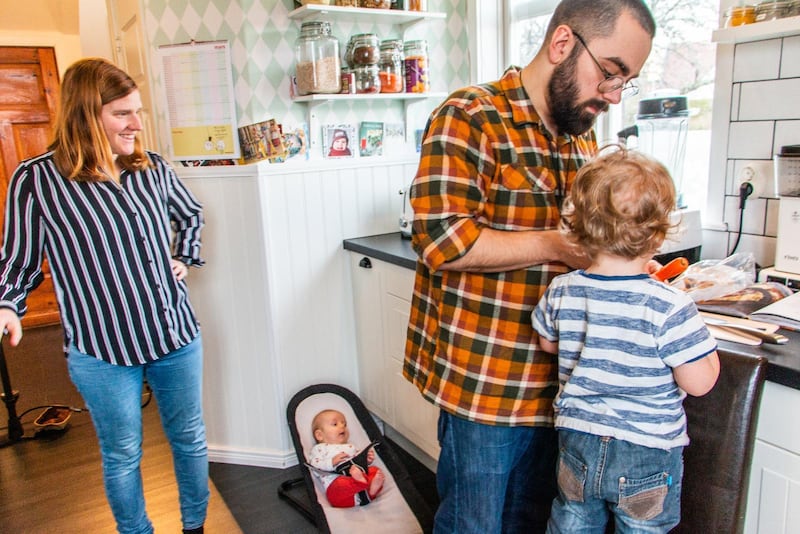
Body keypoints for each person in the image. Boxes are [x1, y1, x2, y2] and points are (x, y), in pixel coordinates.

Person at [403, 1, 657, 532]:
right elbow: (440, 241)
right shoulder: (471, 116)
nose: (612, 95)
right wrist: (556, 245)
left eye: (624, 83)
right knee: (472, 525)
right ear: (563, 44)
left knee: (527, 522)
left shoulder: (580, 133)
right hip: (486, 387)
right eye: (610, 73)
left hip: (563, 390)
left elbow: (590, 238)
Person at [0, 58, 209, 534]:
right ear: (84, 114)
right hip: (101, 350)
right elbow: (18, 258)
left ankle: (195, 526)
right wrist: (7, 304)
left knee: (189, 439)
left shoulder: (151, 168)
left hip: (174, 334)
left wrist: (185, 258)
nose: (137, 123)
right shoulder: (36, 180)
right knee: (121, 453)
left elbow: (191, 215)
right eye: (122, 113)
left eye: (137, 111)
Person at [532, 147, 720, 533]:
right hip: (646, 450)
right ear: (659, 232)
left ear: (580, 227)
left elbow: (548, 343)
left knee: (573, 521)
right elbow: (699, 383)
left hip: (578, 441)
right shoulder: (669, 304)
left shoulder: (563, 289)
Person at [308, 409, 385, 508]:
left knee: (374, 470)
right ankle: (362, 484)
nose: (342, 427)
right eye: (335, 424)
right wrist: (331, 462)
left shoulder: (350, 447)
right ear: (319, 435)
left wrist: (366, 460)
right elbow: (314, 466)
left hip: (357, 480)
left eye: (344, 424)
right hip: (338, 485)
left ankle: (370, 490)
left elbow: (359, 462)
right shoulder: (319, 448)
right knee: (340, 484)